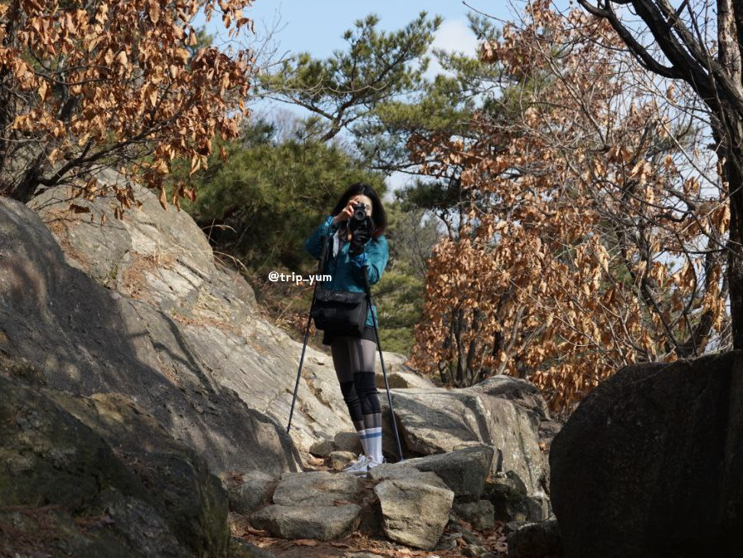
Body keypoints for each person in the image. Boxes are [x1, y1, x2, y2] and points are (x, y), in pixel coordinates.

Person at [304, 182, 390, 476]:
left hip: (361, 317)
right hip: (333, 313)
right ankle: (367, 457)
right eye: (355, 204)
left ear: (374, 212)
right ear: (346, 205)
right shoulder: (334, 234)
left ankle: (376, 458)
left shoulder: (376, 242)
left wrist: (358, 249)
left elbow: (372, 276)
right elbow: (310, 248)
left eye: (366, 206)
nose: (360, 210)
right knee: (348, 389)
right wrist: (335, 220)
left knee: (365, 385)